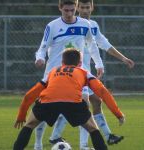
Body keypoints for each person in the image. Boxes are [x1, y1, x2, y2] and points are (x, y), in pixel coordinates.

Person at [48, 0, 135, 149]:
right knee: (83, 106)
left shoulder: (92, 26)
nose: (85, 10)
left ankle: (106, 136)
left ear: (92, 8)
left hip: (86, 73)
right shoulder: (68, 25)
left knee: (95, 102)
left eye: (87, 7)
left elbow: (105, 44)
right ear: (77, 8)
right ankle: (83, 145)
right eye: (82, 7)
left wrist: (123, 58)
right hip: (74, 74)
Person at [13, 48, 125, 150]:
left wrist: (21, 116)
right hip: (73, 103)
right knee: (93, 129)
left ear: (62, 62)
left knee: (29, 125)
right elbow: (103, 93)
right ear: (80, 63)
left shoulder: (52, 72)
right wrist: (118, 114)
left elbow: (29, 95)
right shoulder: (84, 72)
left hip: (48, 102)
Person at [34, 0, 105, 149]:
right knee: (41, 110)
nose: (69, 13)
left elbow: (92, 46)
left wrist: (99, 64)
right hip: (53, 74)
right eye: (66, 10)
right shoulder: (52, 26)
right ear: (60, 8)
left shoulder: (85, 25)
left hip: (76, 75)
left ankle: (84, 145)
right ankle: (38, 143)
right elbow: (42, 47)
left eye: (72, 10)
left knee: (85, 105)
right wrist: (39, 58)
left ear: (76, 8)